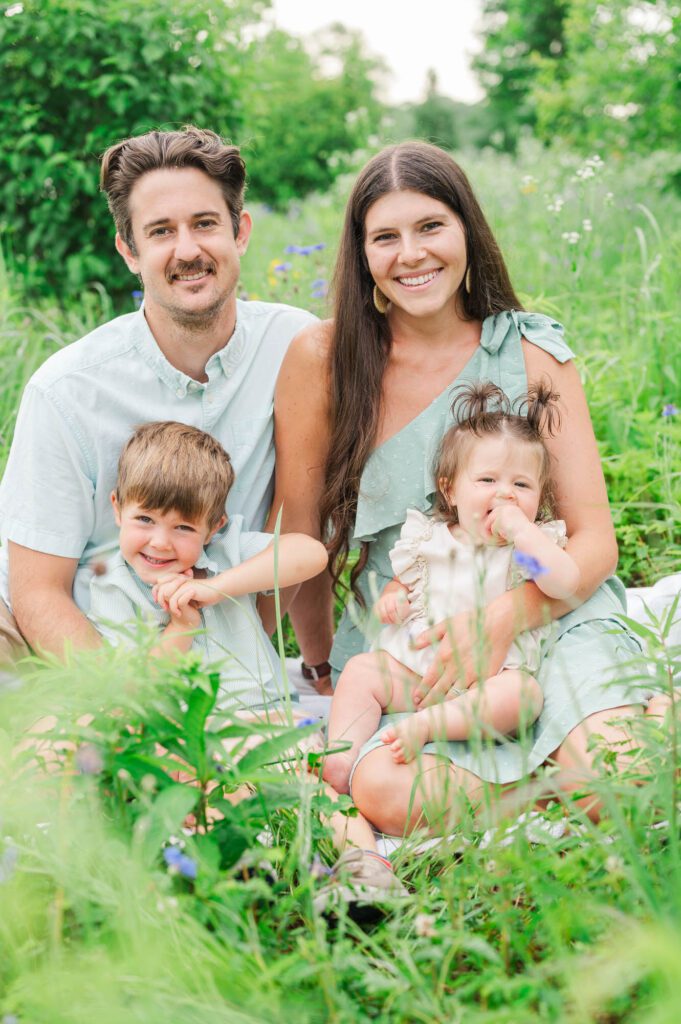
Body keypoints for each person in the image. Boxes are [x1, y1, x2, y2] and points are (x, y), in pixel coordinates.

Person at [272, 140, 650, 833]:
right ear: (362, 257)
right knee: (387, 791)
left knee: (619, 770)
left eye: (430, 227)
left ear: (466, 233)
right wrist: (319, 664)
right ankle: (567, 782)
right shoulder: (323, 360)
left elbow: (595, 543)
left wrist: (502, 619)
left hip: (548, 618)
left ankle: (600, 761)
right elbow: (303, 537)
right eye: (384, 237)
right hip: (415, 641)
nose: (410, 254)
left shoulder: (530, 351)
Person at [0, 125, 322, 665]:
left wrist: (250, 657)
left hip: (199, 637)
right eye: (161, 231)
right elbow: (38, 592)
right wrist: (134, 708)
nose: (188, 250)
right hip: (60, 637)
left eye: (204, 224)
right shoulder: (68, 390)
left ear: (239, 231)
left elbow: (305, 529)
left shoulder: (296, 346)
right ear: (129, 250)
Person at [322, 381, 580, 793]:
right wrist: (392, 600)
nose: (505, 495)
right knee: (361, 671)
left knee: (525, 694)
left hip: (488, 689)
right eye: (487, 480)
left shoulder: (530, 549)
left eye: (522, 485)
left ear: (539, 496)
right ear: (450, 489)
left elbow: (566, 583)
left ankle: (427, 728)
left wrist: (521, 530)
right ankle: (338, 761)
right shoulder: (428, 539)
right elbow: (405, 583)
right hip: (420, 678)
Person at [89, 420, 328, 711]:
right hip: (188, 727)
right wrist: (183, 626)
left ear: (214, 527)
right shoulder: (114, 587)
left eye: (184, 528)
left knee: (307, 751)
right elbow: (141, 688)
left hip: (269, 712)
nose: (161, 542)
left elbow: (311, 553)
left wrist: (216, 588)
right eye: (145, 520)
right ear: (117, 508)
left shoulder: (227, 551)